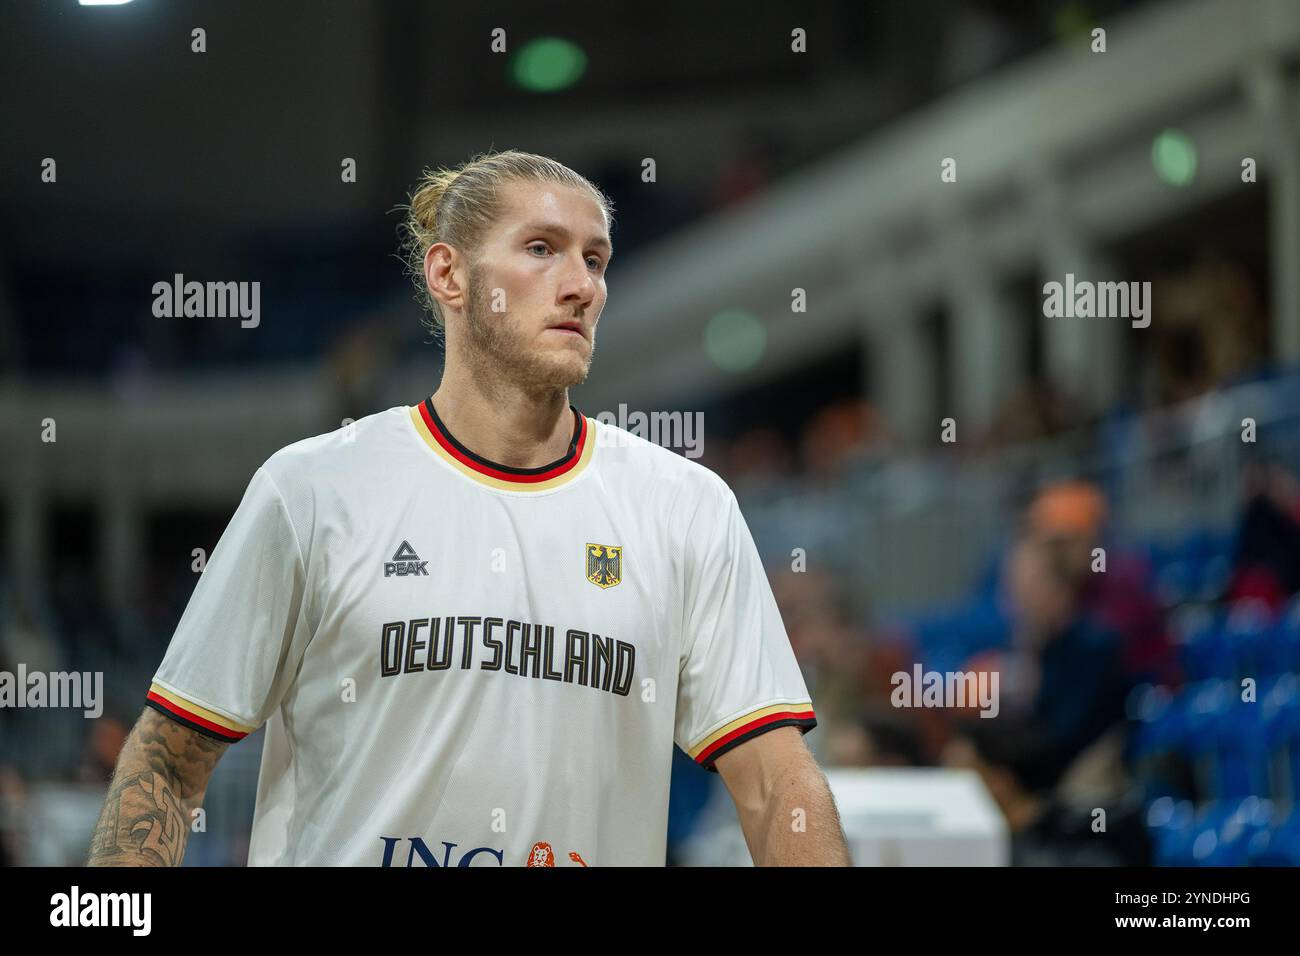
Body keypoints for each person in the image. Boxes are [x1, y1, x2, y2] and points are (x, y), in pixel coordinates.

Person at [87, 149, 848, 867]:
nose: (581, 284)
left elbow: (777, 781)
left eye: (595, 259)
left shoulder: (686, 507)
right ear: (449, 275)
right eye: (542, 248)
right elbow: (167, 760)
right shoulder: (311, 490)